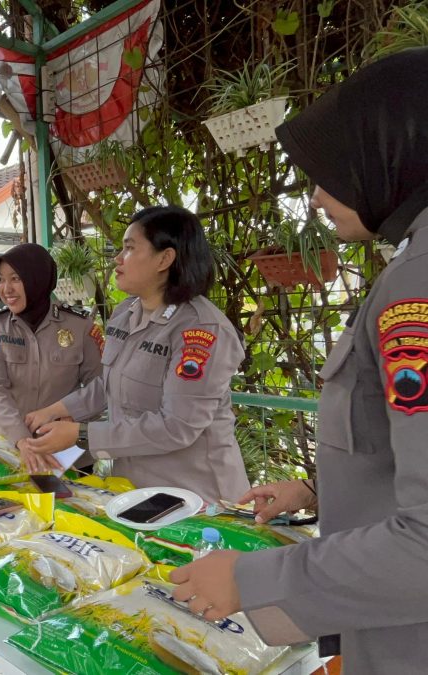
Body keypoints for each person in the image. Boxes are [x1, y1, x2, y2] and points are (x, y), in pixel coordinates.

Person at [170, 49, 428, 673]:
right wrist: (318, 489)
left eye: (329, 171)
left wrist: (253, 581)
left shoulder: (417, 284)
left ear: (389, 150)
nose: (314, 198)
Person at [22, 206, 250, 504]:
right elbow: (109, 385)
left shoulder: (201, 329)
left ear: (165, 259)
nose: (117, 258)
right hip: (137, 489)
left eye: (129, 248)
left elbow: (178, 426)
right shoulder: (125, 313)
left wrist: (82, 434)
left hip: (196, 498)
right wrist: (56, 410)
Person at [0, 243, 102, 473]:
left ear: (38, 278)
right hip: (9, 453)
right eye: (0, 280)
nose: (6, 289)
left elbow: (101, 385)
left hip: (68, 456)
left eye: (15, 278)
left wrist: (73, 416)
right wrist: (22, 441)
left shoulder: (79, 325)